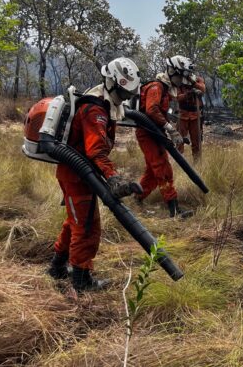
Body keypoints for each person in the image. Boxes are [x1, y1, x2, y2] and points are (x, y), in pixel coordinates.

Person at [46, 57, 143, 292]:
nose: (124, 98)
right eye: (123, 93)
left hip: (78, 172)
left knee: (75, 222)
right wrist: (113, 178)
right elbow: (96, 150)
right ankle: (81, 280)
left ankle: (57, 267)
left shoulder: (103, 101)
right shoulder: (95, 109)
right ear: (111, 83)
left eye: (128, 94)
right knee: (87, 227)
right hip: (77, 174)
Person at [134, 72, 192, 217]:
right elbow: (152, 109)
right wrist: (170, 128)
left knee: (152, 172)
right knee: (162, 168)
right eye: (180, 77)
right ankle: (174, 210)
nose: (180, 81)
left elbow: (162, 111)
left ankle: (137, 199)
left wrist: (171, 132)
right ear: (172, 72)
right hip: (147, 133)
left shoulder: (165, 88)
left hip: (155, 132)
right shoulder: (156, 87)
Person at [167, 55, 205, 163]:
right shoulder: (179, 81)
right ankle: (180, 162)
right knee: (179, 140)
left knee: (197, 141)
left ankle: (197, 163)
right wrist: (188, 94)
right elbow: (176, 97)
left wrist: (193, 83)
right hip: (182, 115)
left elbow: (203, 89)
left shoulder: (197, 79)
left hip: (196, 115)